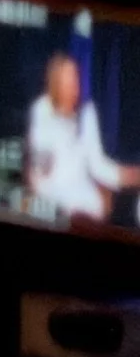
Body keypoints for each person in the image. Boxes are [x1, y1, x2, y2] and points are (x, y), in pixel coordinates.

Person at [25, 50, 140, 229]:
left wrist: (133, 175)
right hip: (55, 206)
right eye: (68, 78)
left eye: (76, 77)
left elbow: (99, 167)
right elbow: (40, 177)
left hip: (88, 207)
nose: (75, 84)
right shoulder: (42, 110)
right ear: (55, 82)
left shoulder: (87, 113)